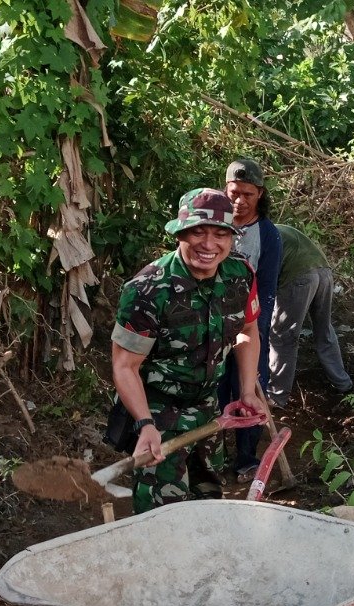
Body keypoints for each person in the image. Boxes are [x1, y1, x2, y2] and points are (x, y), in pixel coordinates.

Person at [111, 188, 267, 512]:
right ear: (180, 233)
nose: (209, 245)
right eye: (198, 231)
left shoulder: (240, 276)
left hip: (209, 414)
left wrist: (248, 390)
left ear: (231, 237)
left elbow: (248, 330)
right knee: (161, 517)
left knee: (207, 505)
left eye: (220, 234)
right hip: (158, 415)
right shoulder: (146, 291)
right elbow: (125, 366)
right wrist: (145, 425)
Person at [217, 158, 281, 482]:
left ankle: (246, 458)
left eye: (248, 195)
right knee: (215, 388)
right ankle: (212, 455)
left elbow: (267, 290)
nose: (239, 201)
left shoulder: (268, 235)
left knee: (249, 387)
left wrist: (259, 329)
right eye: (234, 193)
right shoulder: (214, 226)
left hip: (249, 322)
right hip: (212, 324)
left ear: (260, 195)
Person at [268, 223, 353, 407]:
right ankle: (343, 384)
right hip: (324, 272)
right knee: (324, 330)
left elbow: (263, 280)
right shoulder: (278, 229)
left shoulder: (259, 236)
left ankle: (276, 396)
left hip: (298, 277)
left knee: (283, 336)